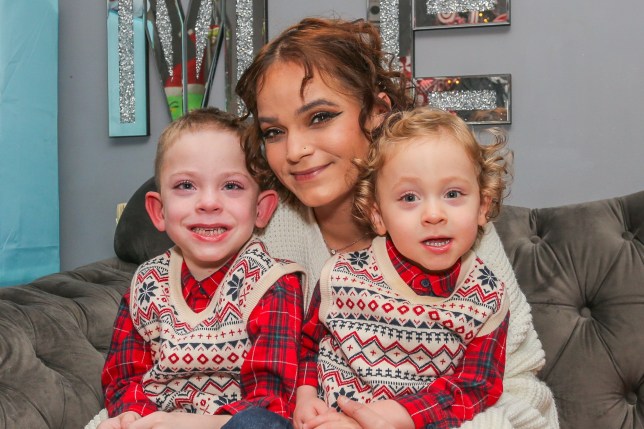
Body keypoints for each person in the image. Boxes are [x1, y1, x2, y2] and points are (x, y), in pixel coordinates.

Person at [236, 17, 558, 429]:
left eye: (319, 117)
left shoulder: (450, 230)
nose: (295, 150)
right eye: (275, 131)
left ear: (376, 113)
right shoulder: (262, 234)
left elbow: (516, 390)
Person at [295, 107, 511, 429]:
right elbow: (306, 345)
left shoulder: (486, 296)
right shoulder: (342, 275)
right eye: (410, 197)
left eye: (453, 194)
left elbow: (475, 387)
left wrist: (398, 417)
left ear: (482, 205)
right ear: (378, 216)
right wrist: (305, 396)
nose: (434, 214)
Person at [97, 108, 302, 429]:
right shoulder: (146, 283)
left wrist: (185, 424)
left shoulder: (271, 283)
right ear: (159, 211)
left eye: (231, 186)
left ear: (261, 209)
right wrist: (133, 416)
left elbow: (273, 398)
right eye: (186, 186)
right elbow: (123, 378)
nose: (208, 202)